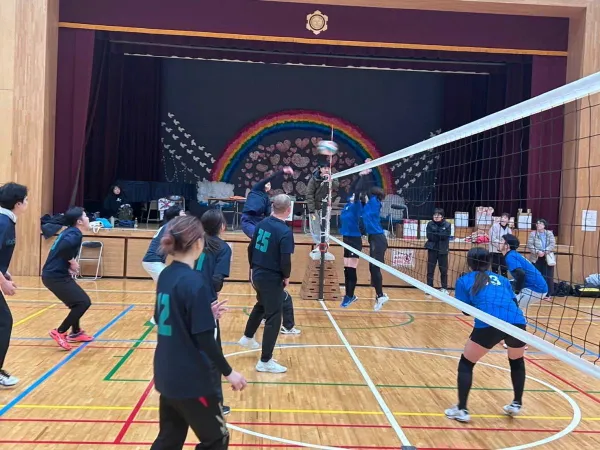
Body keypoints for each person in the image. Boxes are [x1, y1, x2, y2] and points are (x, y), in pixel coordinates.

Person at [151, 215, 246, 450]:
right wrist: (229, 372)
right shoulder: (195, 282)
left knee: (169, 439)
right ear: (198, 243)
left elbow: (166, 317)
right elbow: (204, 338)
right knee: (216, 439)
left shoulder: (166, 275)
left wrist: (203, 312)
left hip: (166, 372)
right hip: (191, 380)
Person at [445, 247, 527, 423]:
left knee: (466, 363)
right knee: (517, 361)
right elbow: (514, 302)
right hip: (517, 322)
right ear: (489, 262)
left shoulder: (464, 280)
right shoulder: (503, 280)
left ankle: (462, 409)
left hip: (489, 323)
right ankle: (516, 403)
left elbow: (465, 310)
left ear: (469, 262)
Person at [238, 194, 294, 373]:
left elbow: (250, 248)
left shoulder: (261, 224)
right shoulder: (285, 232)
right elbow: (285, 260)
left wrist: (252, 267)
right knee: (274, 317)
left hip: (257, 273)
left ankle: (248, 337)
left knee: (261, 304)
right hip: (271, 277)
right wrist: (286, 276)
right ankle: (265, 361)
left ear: (272, 207)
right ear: (288, 210)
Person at [195, 209, 232, 415]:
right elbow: (217, 280)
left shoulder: (195, 242)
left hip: (186, 298)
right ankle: (214, 404)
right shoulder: (222, 247)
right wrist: (212, 292)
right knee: (213, 354)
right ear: (222, 227)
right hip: (206, 304)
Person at [42, 207, 94, 350]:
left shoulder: (70, 231)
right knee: (83, 302)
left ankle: (76, 332)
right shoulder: (75, 233)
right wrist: (72, 261)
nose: (88, 218)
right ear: (79, 221)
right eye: (85, 216)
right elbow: (64, 247)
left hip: (56, 274)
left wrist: (67, 264)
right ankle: (60, 332)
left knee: (77, 303)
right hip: (55, 276)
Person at [0, 182, 28, 387]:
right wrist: (3, 283)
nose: (27, 203)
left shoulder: (7, 221)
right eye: (26, 200)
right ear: (18, 203)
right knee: (4, 322)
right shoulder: (2, 223)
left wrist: (4, 272)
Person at [142, 206, 186, 324]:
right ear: (176, 216)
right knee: (170, 287)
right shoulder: (170, 227)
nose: (185, 214)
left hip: (155, 262)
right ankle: (162, 318)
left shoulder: (170, 227)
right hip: (152, 261)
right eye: (182, 212)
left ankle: (158, 318)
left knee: (167, 288)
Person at [356, 171, 389, 311]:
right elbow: (361, 194)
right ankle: (380, 295)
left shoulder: (375, 202)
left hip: (379, 239)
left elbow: (364, 189)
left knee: (375, 268)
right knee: (372, 268)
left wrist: (365, 173)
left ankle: (380, 295)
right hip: (373, 238)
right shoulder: (368, 205)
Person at [241, 166, 294, 239]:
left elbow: (268, 213)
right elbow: (270, 178)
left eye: (269, 184)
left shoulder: (267, 198)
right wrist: (283, 171)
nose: (268, 184)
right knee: (256, 237)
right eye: (266, 183)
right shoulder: (257, 189)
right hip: (248, 219)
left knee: (265, 237)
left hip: (259, 220)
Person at [500, 234, 548, 311]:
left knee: (512, 308)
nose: (498, 242)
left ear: (507, 246)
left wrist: (517, 291)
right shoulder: (513, 254)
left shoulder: (510, 257)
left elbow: (521, 274)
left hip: (536, 288)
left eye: (501, 241)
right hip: (537, 285)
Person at [339, 176, 363, 308]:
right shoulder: (347, 206)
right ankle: (348, 295)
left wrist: (362, 175)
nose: (352, 195)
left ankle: (350, 295)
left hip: (354, 239)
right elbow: (352, 190)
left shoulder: (357, 205)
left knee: (352, 269)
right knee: (346, 269)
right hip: (346, 238)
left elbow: (357, 190)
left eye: (354, 194)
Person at [306, 160, 339, 253]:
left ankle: (325, 244)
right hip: (316, 206)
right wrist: (311, 210)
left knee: (326, 225)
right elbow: (309, 194)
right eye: (325, 168)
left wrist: (330, 180)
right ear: (320, 169)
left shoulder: (333, 176)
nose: (327, 170)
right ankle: (318, 244)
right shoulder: (314, 179)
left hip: (326, 206)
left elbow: (336, 186)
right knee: (315, 226)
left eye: (328, 168)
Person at [526, 219, 556, 298]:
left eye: (540, 224)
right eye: (537, 223)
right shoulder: (533, 234)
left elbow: (552, 244)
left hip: (547, 257)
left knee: (548, 275)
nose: (538, 225)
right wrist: (538, 252)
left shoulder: (549, 233)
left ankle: (548, 294)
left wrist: (545, 251)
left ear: (544, 225)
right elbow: (530, 245)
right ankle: (537, 293)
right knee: (537, 275)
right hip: (536, 257)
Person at [425, 208, 451, 294]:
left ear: (442, 216)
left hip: (443, 250)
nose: (436, 216)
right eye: (435, 215)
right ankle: (429, 288)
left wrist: (436, 233)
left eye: (438, 215)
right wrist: (439, 233)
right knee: (430, 270)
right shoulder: (430, 224)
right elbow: (430, 236)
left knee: (443, 270)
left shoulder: (447, 224)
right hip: (432, 249)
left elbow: (445, 236)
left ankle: (444, 288)